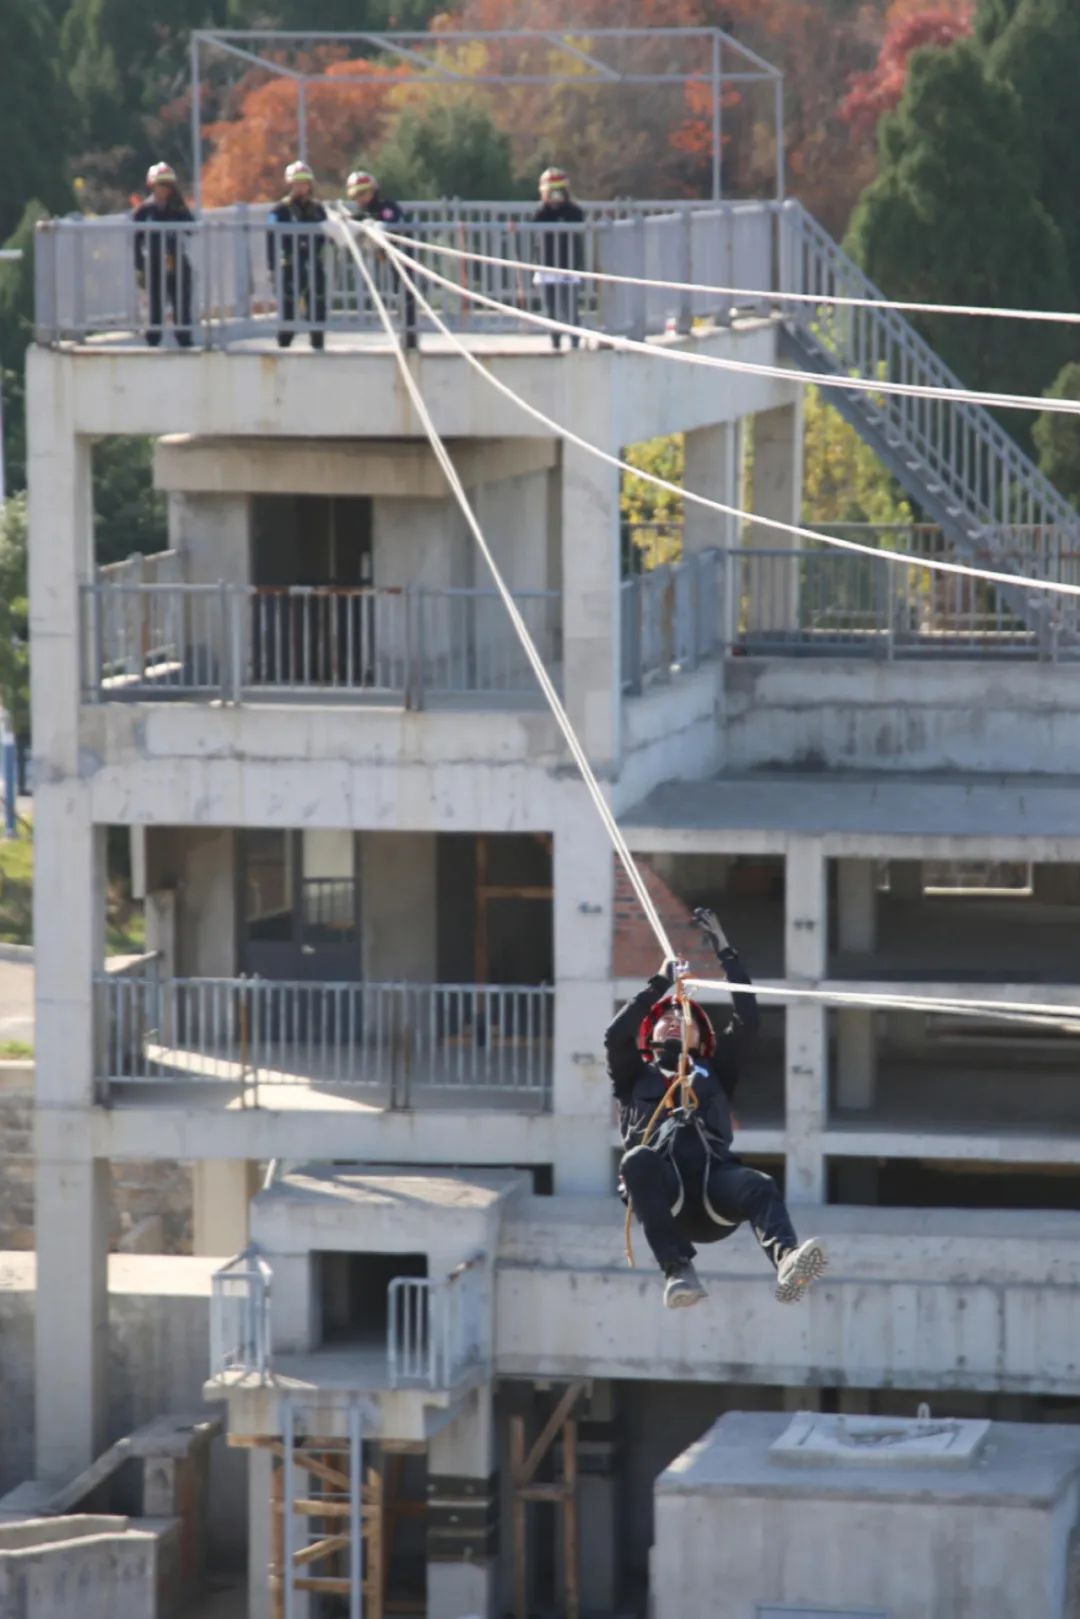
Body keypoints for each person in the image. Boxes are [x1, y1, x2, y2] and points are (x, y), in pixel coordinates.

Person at [607, 906, 828, 1310]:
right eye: (666, 1019)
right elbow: (616, 1033)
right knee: (637, 1160)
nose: (674, 1022)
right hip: (666, 1197)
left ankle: (788, 1261)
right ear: (651, 1033)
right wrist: (660, 983)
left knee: (759, 1184)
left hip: (713, 1194)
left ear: (700, 1037)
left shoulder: (714, 1071)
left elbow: (747, 1019)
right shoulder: (633, 1077)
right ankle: (677, 1272)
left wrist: (726, 952)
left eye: (684, 1019)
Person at [345, 170, 418, 351]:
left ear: (373, 191)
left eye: (364, 193)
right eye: (357, 196)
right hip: (389, 258)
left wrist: (374, 224)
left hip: (402, 256)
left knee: (406, 294)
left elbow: (390, 222)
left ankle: (410, 338)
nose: (360, 199)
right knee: (398, 293)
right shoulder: (364, 212)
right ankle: (406, 332)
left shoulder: (387, 207)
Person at [132, 162, 194, 348]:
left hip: (176, 260)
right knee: (155, 304)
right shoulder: (144, 210)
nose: (165, 189)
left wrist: (180, 205)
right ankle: (153, 339)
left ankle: (184, 338)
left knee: (181, 300)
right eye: (161, 184)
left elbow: (191, 228)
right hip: (154, 262)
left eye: (169, 185)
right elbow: (136, 239)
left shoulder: (177, 209)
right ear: (152, 185)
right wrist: (140, 266)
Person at [268, 161, 328, 350]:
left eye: (304, 183)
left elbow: (327, 235)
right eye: (297, 183)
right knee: (288, 310)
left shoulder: (318, 209)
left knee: (317, 308)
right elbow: (270, 238)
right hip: (291, 265)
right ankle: (283, 347)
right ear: (290, 184)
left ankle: (317, 345)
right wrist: (272, 268)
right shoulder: (280, 210)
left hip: (313, 263)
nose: (301, 187)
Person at [532, 166, 585, 351]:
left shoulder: (574, 211)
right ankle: (555, 342)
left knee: (570, 308)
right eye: (550, 193)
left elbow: (579, 220)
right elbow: (533, 223)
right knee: (551, 310)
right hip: (547, 267)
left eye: (558, 193)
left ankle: (575, 341)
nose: (555, 197)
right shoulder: (541, 212)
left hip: (568, 267)